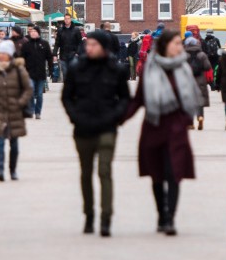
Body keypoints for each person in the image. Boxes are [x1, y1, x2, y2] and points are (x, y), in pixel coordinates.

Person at [123, 28, 200, 235]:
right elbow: (139, 99)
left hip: (177, 130)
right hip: (153, 127)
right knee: (157, 175)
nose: (179, 47)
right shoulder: (149, 68)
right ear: (165, 45)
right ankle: (161, 215)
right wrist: (118, 119)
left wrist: (185, 120)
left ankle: (170, 219)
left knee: (173, 173)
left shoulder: (184, 68)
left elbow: (192, 98)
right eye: (175, 43)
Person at [62, 29, 131, 237]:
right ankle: (89, 214)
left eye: (93, 45)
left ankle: (106, 217)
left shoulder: (116, 70)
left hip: (107, 127)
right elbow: (67, 97)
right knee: (85, 173)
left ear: (103, 47)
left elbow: (125, 98)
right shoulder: (76, 69)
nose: (88, 48)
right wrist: (75, 116)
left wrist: (116, 117)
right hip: (82, 128)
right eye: (87, 45)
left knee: (104, 171)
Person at [0, 40, 33, 181]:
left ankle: (12, 170)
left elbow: (28, 89)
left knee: (14, 143)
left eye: (4, 53)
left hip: (15, 111)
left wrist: (21, 102)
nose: (1, 56)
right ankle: (0, 170)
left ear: (10, 55)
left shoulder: (19, 70)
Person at [20, 24, 54, 119]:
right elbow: (22, 58)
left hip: (40, 73)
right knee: (31, 92)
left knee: (39, 94)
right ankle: (31, 109)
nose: (33, 33)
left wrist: (51, 70)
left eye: (35, 32)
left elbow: (49, 58)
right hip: (29, 73)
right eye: (31, 32)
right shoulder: (26, 45)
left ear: (38, 33)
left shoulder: (44, 44)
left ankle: (38, 112)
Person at [184, 35, 213, 130]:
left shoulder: (184, 55)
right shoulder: (202, 54)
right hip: (200, 79)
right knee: (200, 100)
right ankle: (200, 117)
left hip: (188, 80)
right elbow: (208, 66)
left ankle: (190, 123)